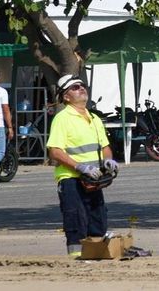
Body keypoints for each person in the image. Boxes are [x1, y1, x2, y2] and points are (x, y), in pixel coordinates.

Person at [46, 73, 119, 258]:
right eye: (75, 87)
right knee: (76, 221)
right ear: (66, 96)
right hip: (71, 179)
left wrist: (108, 160)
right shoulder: (63, 118)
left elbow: (105, 147)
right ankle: (76, 260)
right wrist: (80, 167)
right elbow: (55, 151)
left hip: (93, 179)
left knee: (98, 220)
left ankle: (95, 255)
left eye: (82, 86)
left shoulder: (94, 118)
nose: (81, 89)